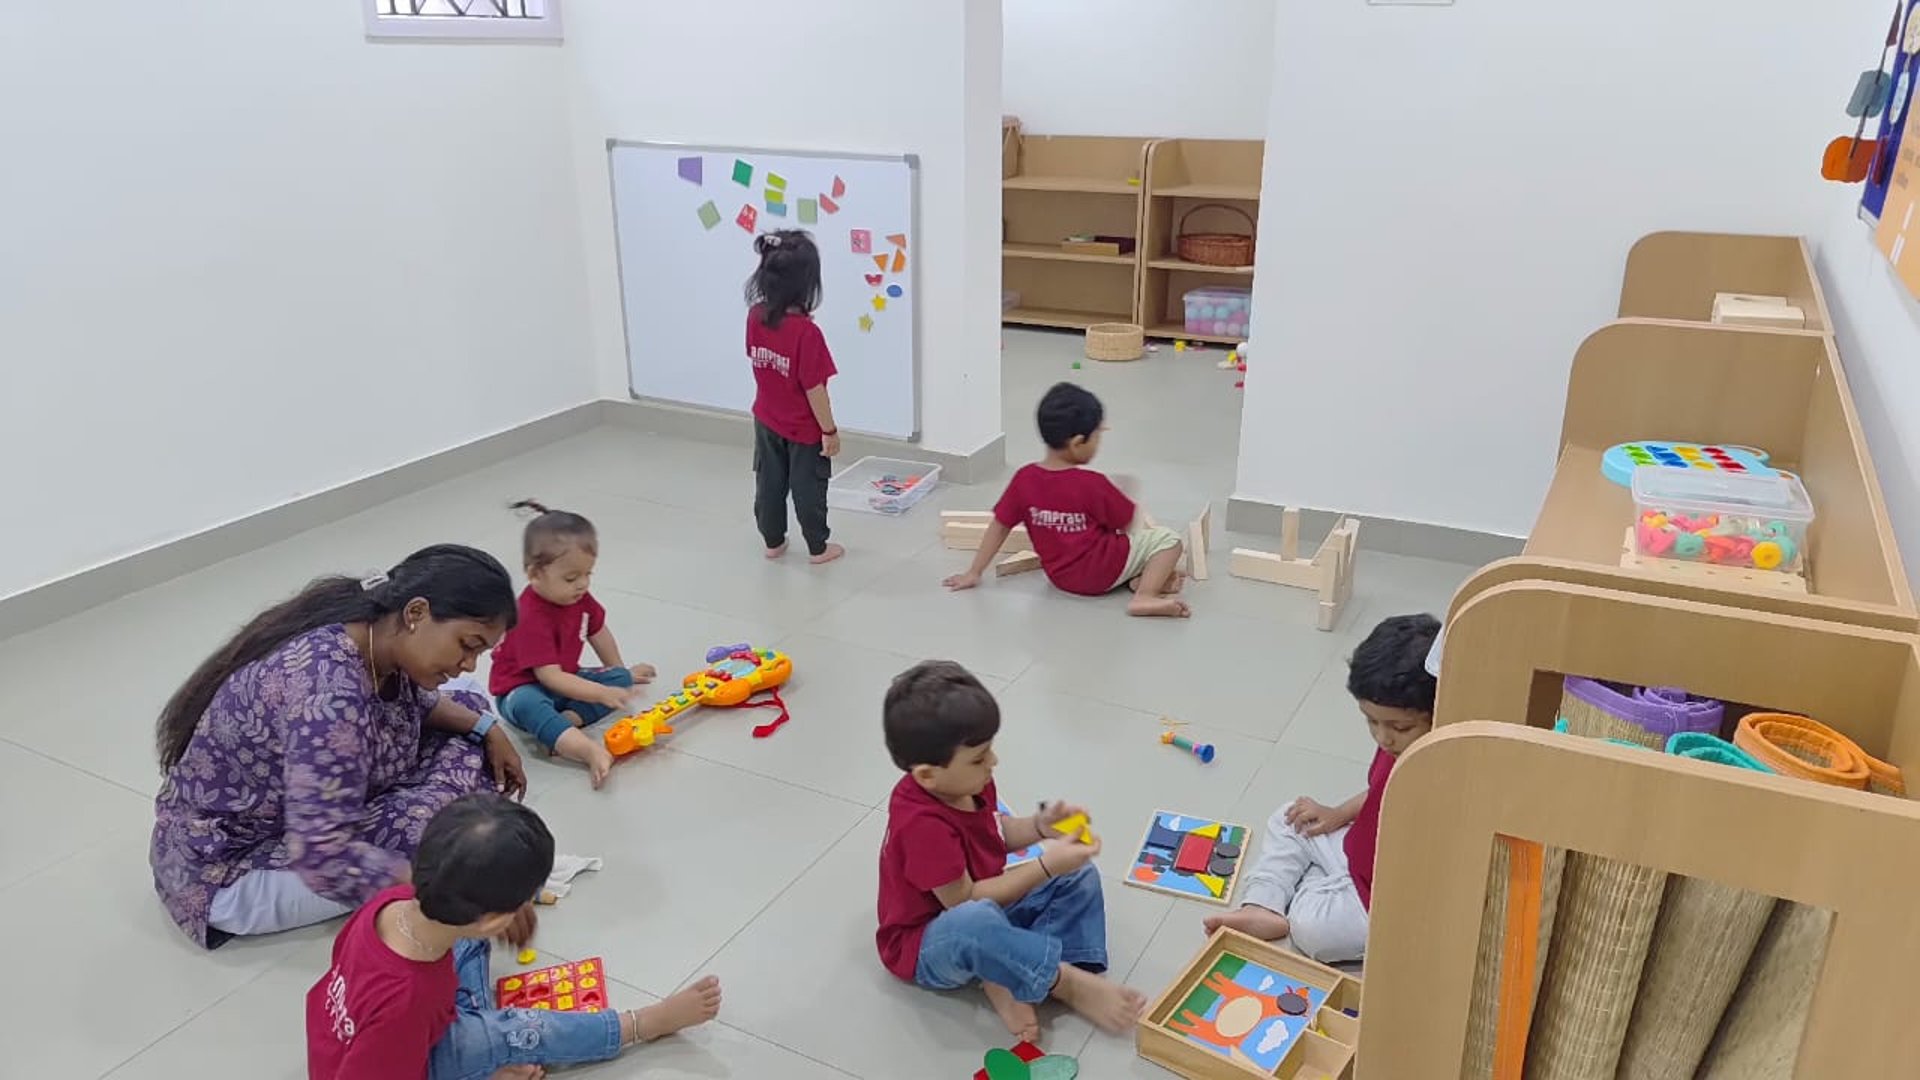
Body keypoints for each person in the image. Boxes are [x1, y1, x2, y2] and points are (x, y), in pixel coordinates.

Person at [150, 544, 530, 949]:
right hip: (229, 869)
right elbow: (321, 856)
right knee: (435, 835)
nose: (470, 662)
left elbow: (423, 704)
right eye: (467, 645)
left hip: (304, 811)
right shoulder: (329, 696)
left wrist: (491, 730)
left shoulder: (370, 634)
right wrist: (471, 895)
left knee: (466, 700)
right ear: (416, 613)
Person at [306, 794, 722, 1080]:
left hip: (375, 1031)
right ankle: (643, 1024)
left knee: (464, 944)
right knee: (519, 1029)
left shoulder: (393, 902)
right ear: (491, 919)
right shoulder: (409, 1001)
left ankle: (476, 1042)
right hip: (390, 1061)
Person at [875, 660, 1147, 1042]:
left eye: (989, 751)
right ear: (927, 775)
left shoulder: (969, 782)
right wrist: (1045, 866)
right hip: (931, 939)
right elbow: (964, 902)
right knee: (978, 920)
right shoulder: (921, 824)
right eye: (979, 757)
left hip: (985, 904)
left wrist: (1039, 827)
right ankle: (1061, 981)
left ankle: (1022, 971)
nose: (993, 762)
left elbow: (994, 832)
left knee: (1079, 874)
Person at [1203, 613, 1440, 963]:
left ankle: (1303, 893)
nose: (1383, 736)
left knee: (1310, 930)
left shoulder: (1443, 769)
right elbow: (1379, 791)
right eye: (1371, 721)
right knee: (1289, 818)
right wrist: (1337, 814)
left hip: (1387, 898)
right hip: (1358, 853)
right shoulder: (1397, 743)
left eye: (1399, 727)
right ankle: (1262, 905)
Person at [943, 382, 1188, 617]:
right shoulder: (1093, 484)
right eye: (1097, 437)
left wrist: (974, 572)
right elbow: (1127, 524)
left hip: (1061, 579)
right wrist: (1126, 494)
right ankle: (1145, 595)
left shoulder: (1024, 479)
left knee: (1133, 545)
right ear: (1077, 443)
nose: (1098, 443)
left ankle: (1137, 581)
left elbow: (1000, 525)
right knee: (1168, 539)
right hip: (1103, 574)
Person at [488, 501, 658, 789]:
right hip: (522, 689)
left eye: (587, 574)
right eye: (571, 578)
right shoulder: (528, 615)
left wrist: (618, 672)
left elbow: (598, 631)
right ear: (534, 574)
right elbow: (548, 676)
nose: (582, 585)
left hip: (565, 678)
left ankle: (566, 721)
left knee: (619, 678)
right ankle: (586, 750)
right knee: (530, 703)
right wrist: (600, 693)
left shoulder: (578, 598)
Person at [744, 229, 844, 565]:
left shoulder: (755, 316)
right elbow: (815, 389)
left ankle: (773, 541)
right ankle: (818, 547)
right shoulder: (807, 333)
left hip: (766, 418)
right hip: (803, 428)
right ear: (807, 285)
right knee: (808, 488)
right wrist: (829, 431)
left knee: (769, 482)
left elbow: (761, 359)